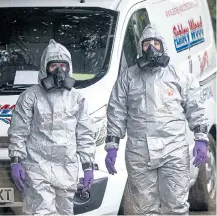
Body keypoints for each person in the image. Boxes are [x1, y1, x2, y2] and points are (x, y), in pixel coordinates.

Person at [104, 24, 208, 215]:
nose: (151, 48)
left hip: (173, 149)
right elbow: (116, 112)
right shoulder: (128, 78)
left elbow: (196, 107)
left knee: (175, 205)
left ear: (163, 46)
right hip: (139, 152)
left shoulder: (180, 77)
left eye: (155, 43)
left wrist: (200, 138)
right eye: (146, 44)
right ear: (140, 48)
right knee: (142, 209)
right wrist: (112, 146)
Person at [8, 39, 96, 215]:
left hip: (67, 168)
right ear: (45, 68)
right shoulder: (30, 97)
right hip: (37, 168)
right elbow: (18, 131)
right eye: (53, 66)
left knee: (64, 212)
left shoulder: (77, 98)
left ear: (69, 67)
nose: (58, 71)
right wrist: (16, 160)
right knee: (40, 212)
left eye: (62, 66)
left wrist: (88, 166)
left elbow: (85, 134)